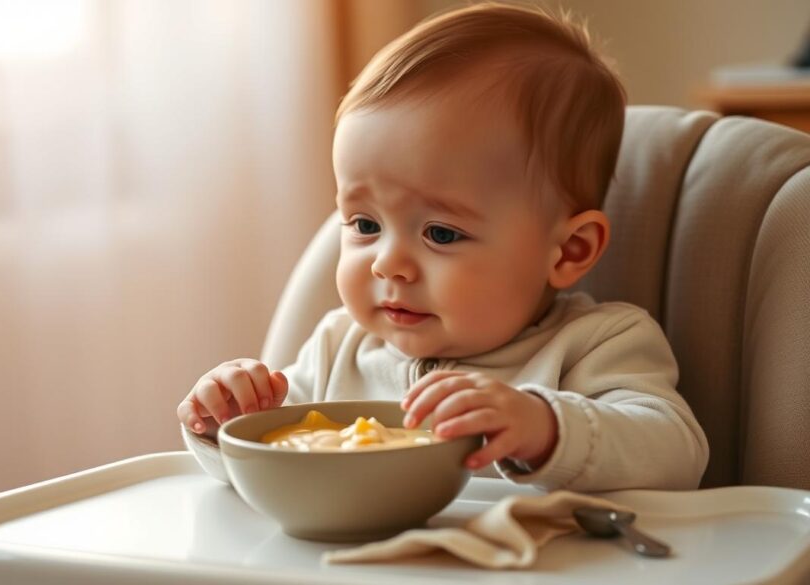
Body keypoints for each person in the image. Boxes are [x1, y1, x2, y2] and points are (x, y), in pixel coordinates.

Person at [176, 2, 709, 492]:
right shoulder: (340, 347)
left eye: (441, 233)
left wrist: (544, 427)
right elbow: (266, 475)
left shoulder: (595, 345)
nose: (387, 262)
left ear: (569, 251)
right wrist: (225, 419)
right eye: (364, 223)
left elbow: (675, 453)